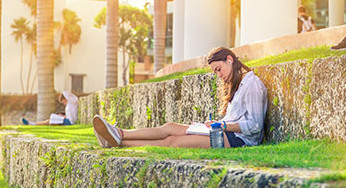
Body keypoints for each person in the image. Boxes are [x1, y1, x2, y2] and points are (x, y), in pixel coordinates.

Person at [92, 47, 267, 148]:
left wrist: (223, 125)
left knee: (173, 141)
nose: (218, 75)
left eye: (218, 69)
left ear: (229, 59)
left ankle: (119, 143)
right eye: (215, 72)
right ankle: (119, 133)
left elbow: (255, 126)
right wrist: (219, 125)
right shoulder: (237, 84)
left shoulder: (251, 84)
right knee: (170, 127)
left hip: (239, 140)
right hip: (223, 132)